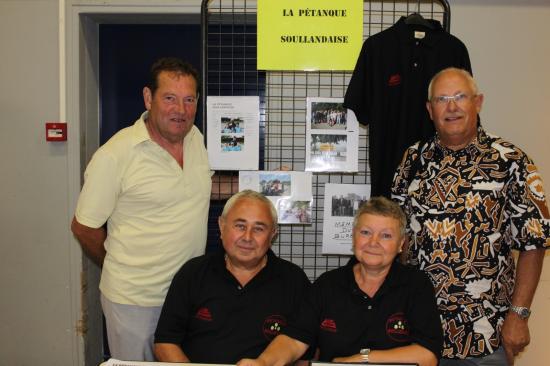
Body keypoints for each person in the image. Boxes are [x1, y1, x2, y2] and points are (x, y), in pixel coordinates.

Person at [391, 67, 549, 365]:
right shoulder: (412, 159)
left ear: (478, 103)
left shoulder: (511, 161)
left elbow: (534, 242)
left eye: (460, 97)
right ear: (429, 109)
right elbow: (396, 237)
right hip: (419, 333)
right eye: (442, 99)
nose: (451, 107)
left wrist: (520, 315)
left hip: (486, 334)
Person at [71, 57, 213, 361]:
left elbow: (201, 188)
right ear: (148, 98)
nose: (181, 110)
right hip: (135, 302)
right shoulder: (115, 155)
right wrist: (116, 264)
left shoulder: (196, 139)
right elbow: (83, 227)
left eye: (189, 100)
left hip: (187, 297)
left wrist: (264, 187)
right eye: (170, 98)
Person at [238, 197, 442, 366]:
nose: (373, 243)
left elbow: (427, 356)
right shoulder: (327, 285)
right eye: (365, 232)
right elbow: (294, 339)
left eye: (386, 236)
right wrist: (263, 362)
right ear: (353, 237)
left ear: (400, 245)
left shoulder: (416, 285)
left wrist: (360, 360)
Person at [154, 190, 312, 363]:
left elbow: (303, 353)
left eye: (258, 229)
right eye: (240, 226)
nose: (247, 237)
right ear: (222, 226)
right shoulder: (192, 273)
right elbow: (165, 342)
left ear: (273, 234)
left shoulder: (294, 280)